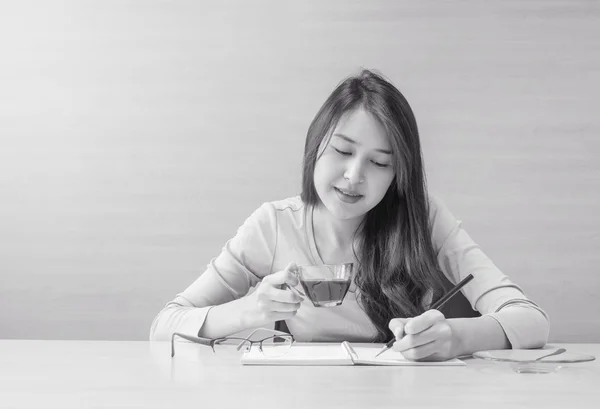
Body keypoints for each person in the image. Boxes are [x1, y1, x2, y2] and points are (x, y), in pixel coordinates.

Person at [150, 69, 549, 361]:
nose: (354, 176)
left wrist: (457, 337)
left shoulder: (422, 219)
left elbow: (531, 320)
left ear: (398, 175)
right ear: (315, 146)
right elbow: (165, 325)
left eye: (379, 163)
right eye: (342, 151)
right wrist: (251, 310)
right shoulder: (274, 225)